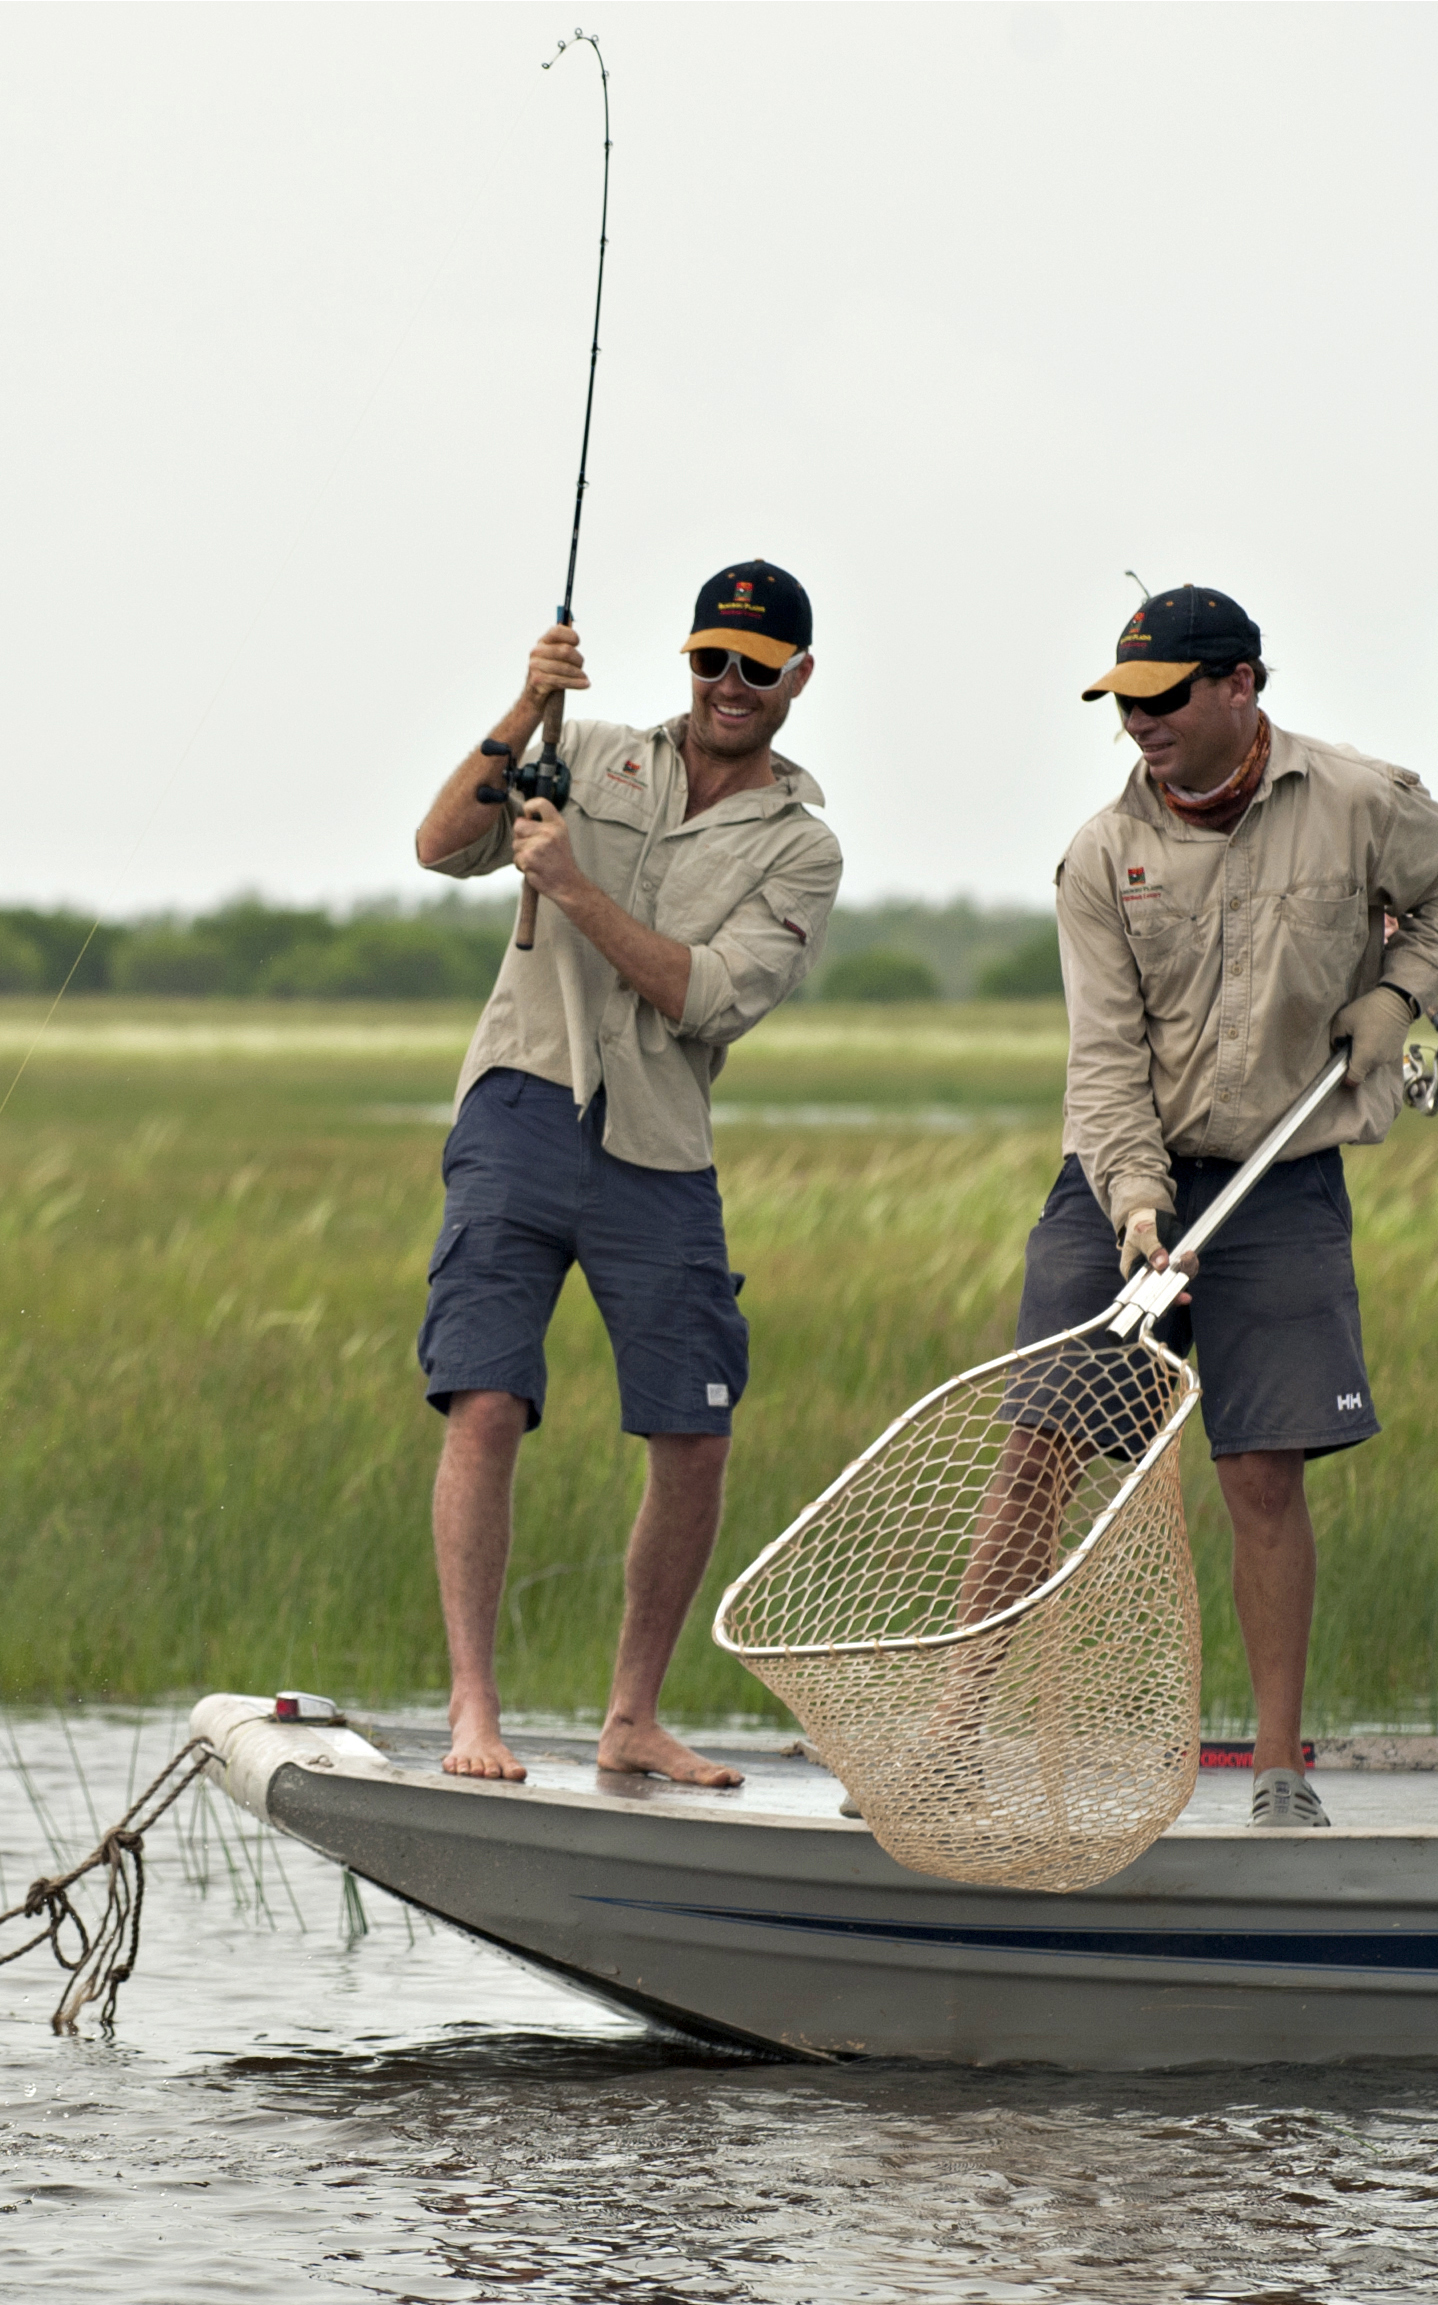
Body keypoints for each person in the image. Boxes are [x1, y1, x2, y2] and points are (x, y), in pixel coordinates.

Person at [1006, 584, 1438, 1828]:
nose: (1136, 722)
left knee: (1260, 1474)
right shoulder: (1101, 852)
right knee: (1033, 1450)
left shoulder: (1360, 800)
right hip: (1121, 1177)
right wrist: (1136, 1207)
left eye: (1160, 698)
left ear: (1239, 687)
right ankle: (951, 1730)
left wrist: (1401, 991)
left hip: (1281, 1174)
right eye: (1121, 702)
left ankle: (1276, 1775)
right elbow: (1100, 1059)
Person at [413, 560, 844, 1784]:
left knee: (692, 1432)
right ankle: (470, 1712)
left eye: (755, 668)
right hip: (518, 1097)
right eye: (710, 657)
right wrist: (519, 703)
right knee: (484, 1397)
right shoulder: (582, 746)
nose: (726, 683)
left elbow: (707, 994)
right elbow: (441, 845)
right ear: (687, 658)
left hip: (657, 1144)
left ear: (795, 680)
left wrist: (571, 890)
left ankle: (630, 1718)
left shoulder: (801, 850)